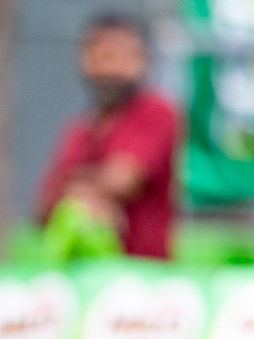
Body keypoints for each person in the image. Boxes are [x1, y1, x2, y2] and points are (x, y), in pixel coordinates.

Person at [36, 12, 180, 260]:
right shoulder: (79, 130)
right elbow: (44, 207)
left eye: (122, 57)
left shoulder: (157, 112)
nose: (110, 68)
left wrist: (75, 189)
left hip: (145, 280)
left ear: (144, 61)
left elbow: (123, 180)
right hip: (86, 285)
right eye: (102, 56)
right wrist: (84, 194)